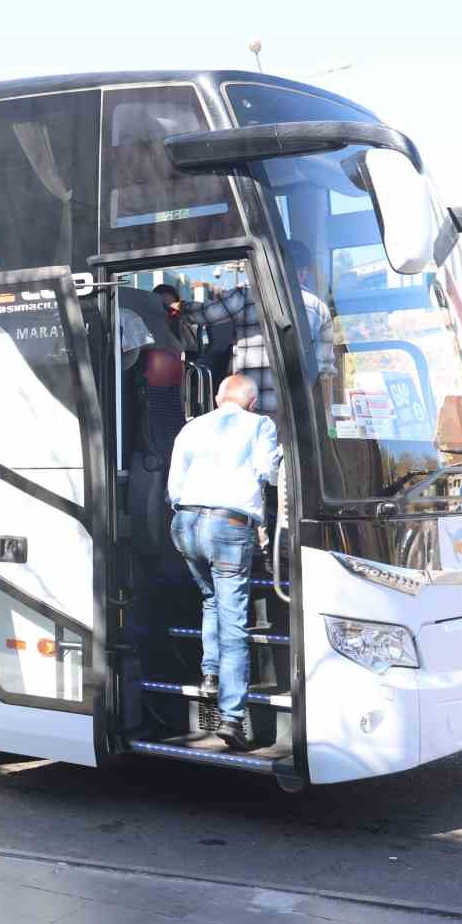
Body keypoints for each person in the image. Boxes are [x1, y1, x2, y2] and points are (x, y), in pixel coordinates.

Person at [168, 373, 282, 751]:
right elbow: (268, 472)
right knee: (234, 620)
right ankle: (232, 717)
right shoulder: (260, 424)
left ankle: (210, 675)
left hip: (185, 523)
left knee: (211, 600)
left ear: (219, 399)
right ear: (251, 403)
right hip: (229, 526)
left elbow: (174, 486)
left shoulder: (192, 427)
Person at [178, 241, 336, 414]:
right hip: (297, 415)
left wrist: (179, 307)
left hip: (251, 407)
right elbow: (324, 369)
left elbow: (207, 313)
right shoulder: (320, 309)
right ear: (304, 272)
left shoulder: (248, 294)